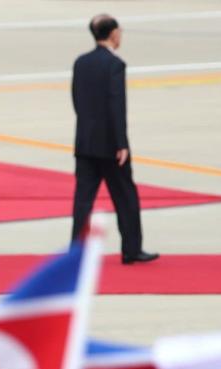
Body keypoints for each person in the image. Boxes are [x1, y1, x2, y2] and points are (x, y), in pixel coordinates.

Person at [70, 15, 159, 265]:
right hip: (109, 146)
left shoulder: (81, 63)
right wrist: (121, 143)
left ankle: (76, 252)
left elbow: (77, 100)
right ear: (113, 35)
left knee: (83, 200)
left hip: (85, 142)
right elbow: (116, 105)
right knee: (126, 198)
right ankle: (132, 249)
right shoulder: (115, 65)